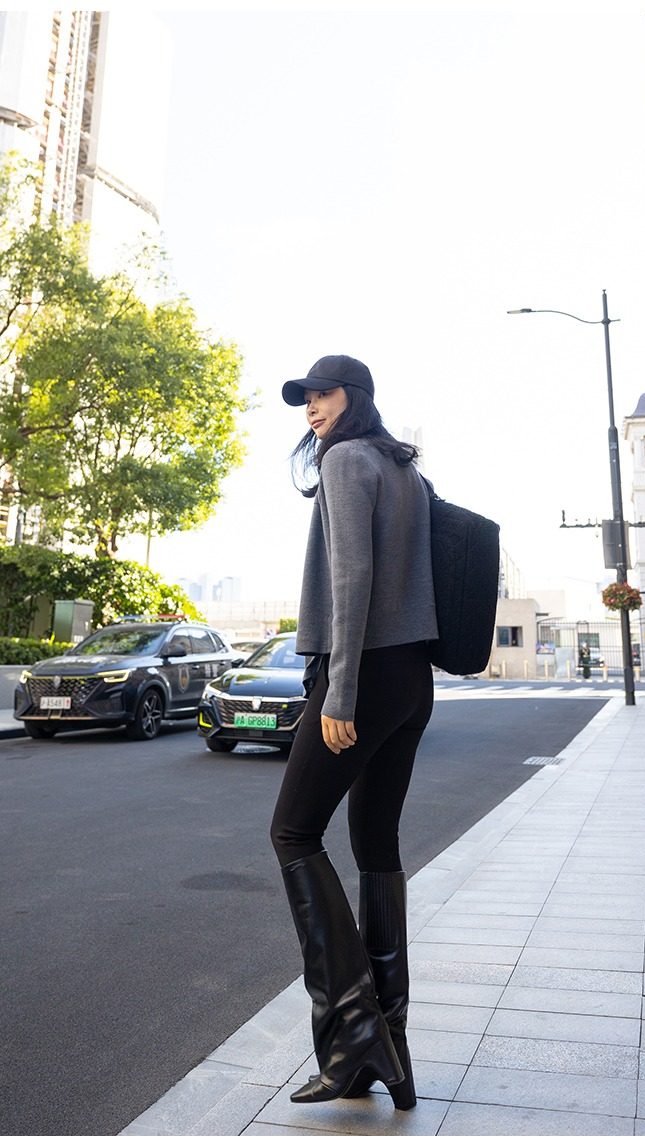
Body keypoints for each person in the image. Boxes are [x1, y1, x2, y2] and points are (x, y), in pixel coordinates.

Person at [270, 354, 437, 1110]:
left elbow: (353, 578)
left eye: (324, 394)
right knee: (375, 844)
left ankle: (355, 1030)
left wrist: (339, 691)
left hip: (364, 676)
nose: (312, 408)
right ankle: (389, 1049)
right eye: (305, 399)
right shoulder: (406, 470)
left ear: (356, 397)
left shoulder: (345, 460)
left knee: (293, 832)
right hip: (411, 679)